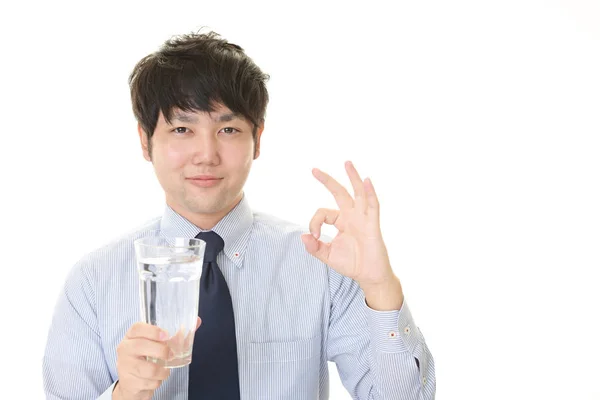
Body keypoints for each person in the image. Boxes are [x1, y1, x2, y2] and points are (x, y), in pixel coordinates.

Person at [42, 31, 436, 400]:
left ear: (257, 140)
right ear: (146, 141)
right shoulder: (94, 281)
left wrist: (380, 286)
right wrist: (123, 394)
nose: (207, 154)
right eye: (182, 129)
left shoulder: (319, 265)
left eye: (228, 129)